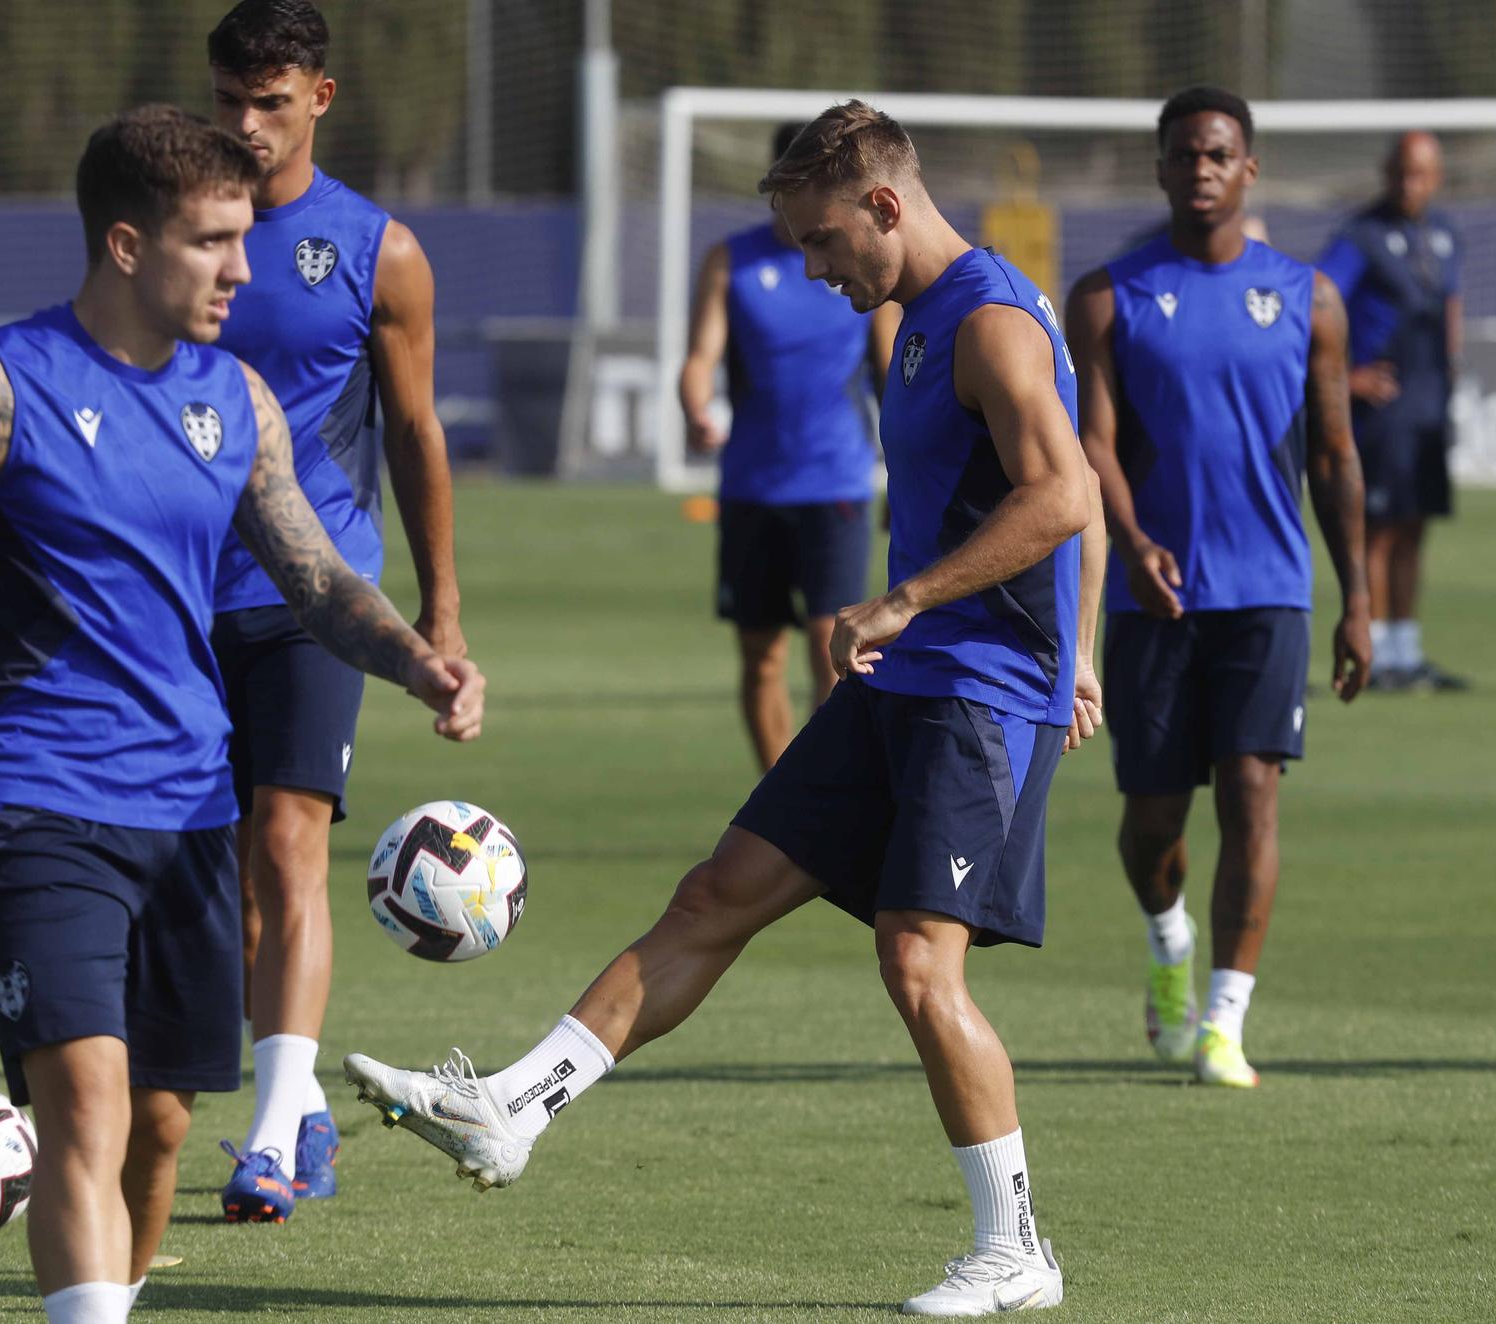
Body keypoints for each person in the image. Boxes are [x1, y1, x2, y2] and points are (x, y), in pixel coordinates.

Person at [346, 99, 1104, 1316]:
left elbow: (1064, 492)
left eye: (821, 241)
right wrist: (1081, 646)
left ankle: (1015, 1246)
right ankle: (513, 1108)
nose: (812, 268)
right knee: (714, 894)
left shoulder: (993, 324)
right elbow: (1081, 495)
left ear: (883, 207)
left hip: (976, 695)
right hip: (908, 681)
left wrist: (919, 603)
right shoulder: (921, 318)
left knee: (916, 961)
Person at [0, 105, 483, 1323]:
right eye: (212, 242)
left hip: (190, 799)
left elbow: (316, 579)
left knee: (158, 1128)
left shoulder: (236, 399)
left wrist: (417, 661)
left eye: (245, 239)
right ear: (126, 245)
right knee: (83, 1100)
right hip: (33, 799)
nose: (242, 269)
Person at [205, 0, 466, 1218]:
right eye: (231, 102)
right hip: (173, 593)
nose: (248, 126)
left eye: (271, 101)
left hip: (317, 593)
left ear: (320, 98)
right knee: (210, 875)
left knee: (288, 844)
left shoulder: (377, 249)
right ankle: (300, 1101)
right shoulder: (171, 229)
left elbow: (415, 433)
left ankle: (263, 1140)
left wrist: (441, 614)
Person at [1066, 86, 1370, 1089]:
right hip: (1152, 599)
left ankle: (1222, 1023)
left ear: (1248, 171)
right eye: (1183, 154)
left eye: (1218, 153)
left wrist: (1357, 602)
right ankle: (1167, 947)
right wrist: (1134, 536)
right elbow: (1092, 445)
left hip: (1269, 592)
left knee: (1251, 795)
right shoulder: (1108, 296)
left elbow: (1332, 453)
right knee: (1153, 818)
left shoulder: (1306, 297)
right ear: (1158, 170)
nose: (1200, 168)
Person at [680, 121, 898, 771]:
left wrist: (906, 476)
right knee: (760, 657)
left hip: (837, 484)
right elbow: (700, 358)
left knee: (831, 649)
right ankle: (779, 797)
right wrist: (695, 409)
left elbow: (889, 376)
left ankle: (826, 793)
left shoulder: (858, 262)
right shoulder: (732, 260)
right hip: (751, 487)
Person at [1317, 131, 1467, 692]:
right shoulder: (1362, 236)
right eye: (1402, 172)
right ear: (1387, 172)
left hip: (1427, 406)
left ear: (1438, 176)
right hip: (1379, 411)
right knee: (1376, 531)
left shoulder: (1446, 233)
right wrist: (1346, 376)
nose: (1410, 184)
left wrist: (1451, 364)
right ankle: (1373, 648)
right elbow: (1319, 296)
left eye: (1421, 173)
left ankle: (1407, 651)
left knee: (1413, 528)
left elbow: (1449, 302)